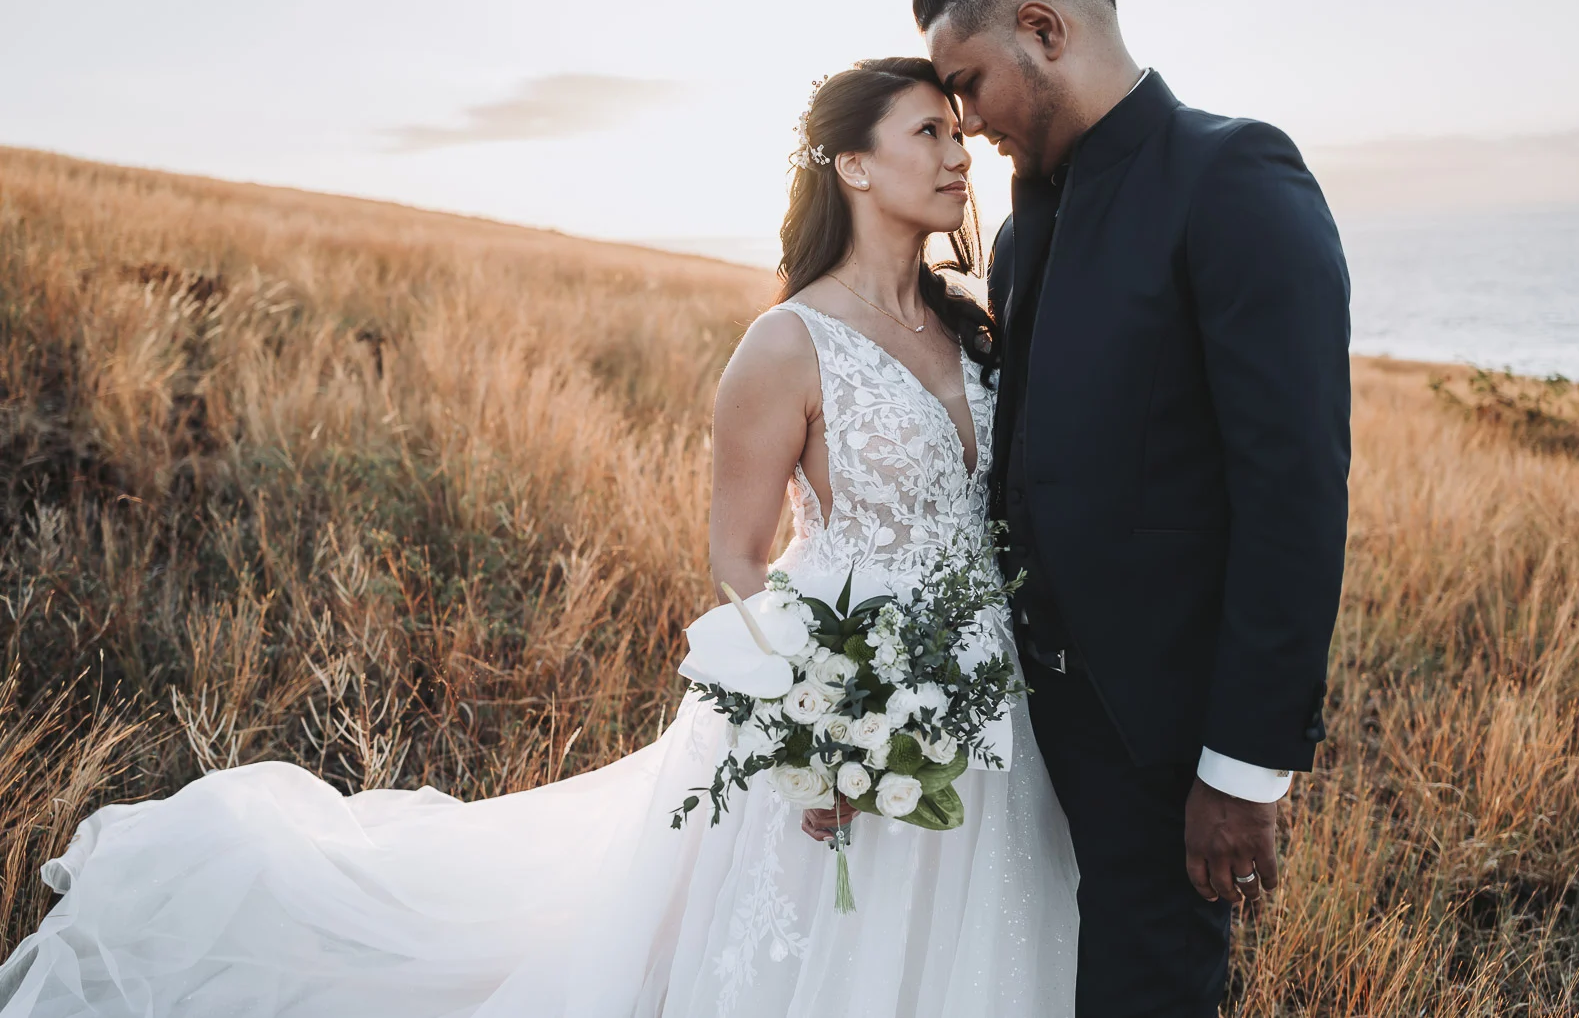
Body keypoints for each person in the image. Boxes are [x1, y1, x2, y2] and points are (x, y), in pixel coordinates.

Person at [0, 58, 1080, 1018]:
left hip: (989, 692)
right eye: (927, 133)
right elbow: (740, 559)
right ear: (852, 164)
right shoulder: (786, 343)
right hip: (849, 692)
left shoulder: (975, 320)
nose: (958, 155)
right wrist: (819, 728)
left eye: (957, 132)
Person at [915, 0, 1352, 1015]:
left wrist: (1241, 770)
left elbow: (1293, 489)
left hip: (1161, 743)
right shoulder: (1018, 236)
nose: (961, 121)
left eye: (967, 82)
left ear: (1043, 28)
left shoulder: (1232, 175)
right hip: (1018, 727)